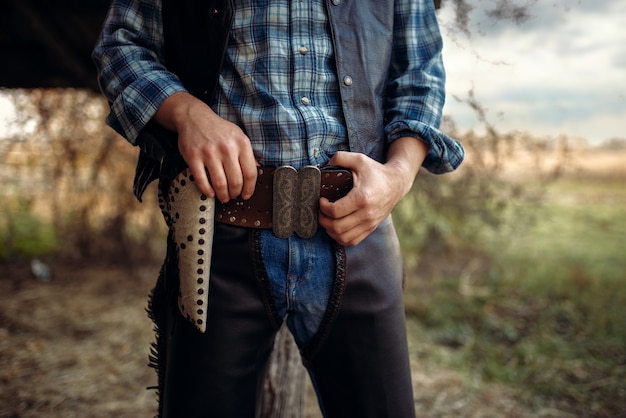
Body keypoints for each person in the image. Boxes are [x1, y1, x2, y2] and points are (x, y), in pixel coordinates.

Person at [92, 0, 464, 417]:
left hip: (358, 232)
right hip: (216, 238)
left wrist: (397, 176)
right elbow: (121, 45)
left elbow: (419, 78)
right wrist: (187, 113)